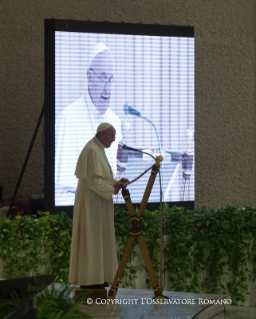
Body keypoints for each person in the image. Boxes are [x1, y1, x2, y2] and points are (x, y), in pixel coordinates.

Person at [55, 43, 122, 206]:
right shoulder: (69, 118)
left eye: (110, 79)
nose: (107, 89)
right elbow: (61, 190)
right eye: (103, 78)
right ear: (89, 76)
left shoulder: (115, 121)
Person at [68, 123, 129, 287]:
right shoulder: (92, 150)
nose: (114, 140)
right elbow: (93, 181)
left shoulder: (98, 148)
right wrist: (112, 188)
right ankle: (90, 280)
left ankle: (99, 277)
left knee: (99, 239)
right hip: (91, 204)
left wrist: (116, 182)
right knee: (92, 239)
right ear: (102, 135)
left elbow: (102, 178)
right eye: (112, 136)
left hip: (98, 203)